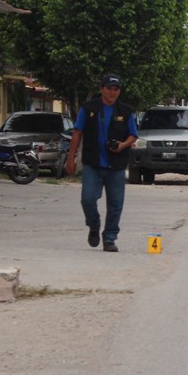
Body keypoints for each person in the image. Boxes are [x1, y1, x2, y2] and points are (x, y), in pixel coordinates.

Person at [65, 73, 139, 252]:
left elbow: (133, 135)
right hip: (93, 163)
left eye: (116, 89)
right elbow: (77, 133)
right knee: (88, 199)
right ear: (101, 89)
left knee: (115, 204)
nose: (112, 92)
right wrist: (71, 158)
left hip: (116, 165)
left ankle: (110, 238)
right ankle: (94, 225)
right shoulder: (89, 108)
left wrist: (123, 145)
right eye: (109, 88)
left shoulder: (126, 111)